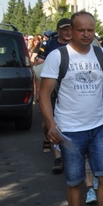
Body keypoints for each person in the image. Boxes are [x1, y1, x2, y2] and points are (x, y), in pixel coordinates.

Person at [38, 12, 103, 206]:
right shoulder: (58, 56)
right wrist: (52, 125)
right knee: (75, 180)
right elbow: (43, 94)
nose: (86, 34)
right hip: (70, 131)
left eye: (90, 30)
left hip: (98, 127)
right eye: (81, 30)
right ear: (71, 32)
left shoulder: (102, 54)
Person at [37, 18, 72, 172]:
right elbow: (39, 67)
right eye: (64, 29)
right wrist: (39, 88)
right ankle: (48, 138)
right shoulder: (50, 45)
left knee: (64, 120)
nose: (68, 32)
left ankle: (60, 157)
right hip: (52, 86)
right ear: (58, 30)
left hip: (70, 89)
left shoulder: (77, 44)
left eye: (70, 28)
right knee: (48, 120)